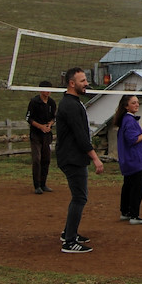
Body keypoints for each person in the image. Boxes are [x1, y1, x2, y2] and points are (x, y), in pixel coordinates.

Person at [56, 67, 104, 253]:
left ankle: (69, 232)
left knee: (79, 196)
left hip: (73, 156)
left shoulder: (73, 103)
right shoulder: (69, 105)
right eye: (82, 81)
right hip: (72, 158)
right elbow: (80, 136)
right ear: (71, 83)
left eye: (85, 80)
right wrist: (95, 158)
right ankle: (69, 242)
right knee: (79, 197)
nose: (86, 84)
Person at [114, 95, 142, 225]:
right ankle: (134, 215)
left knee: (128, 185)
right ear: (126, 106)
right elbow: (132, 139)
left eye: (137, 102)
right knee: (137, 187)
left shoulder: (126, 119)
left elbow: (132, 137)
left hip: (128, 159)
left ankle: (126, 212)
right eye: (133, 103)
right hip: (133, 160)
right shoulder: (129, 120)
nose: (137, 105)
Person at [26, 80, 56, 194]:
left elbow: (54, 117)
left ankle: (43, 184)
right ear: (40, 90)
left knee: (46, 159)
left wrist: (49, 125)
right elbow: (29, 118)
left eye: (49, 90)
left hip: (47, 135)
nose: (48, 92)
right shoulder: (34, 102)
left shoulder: (51, 103)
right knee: (36, 159)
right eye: (45, 89)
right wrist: (41, 127)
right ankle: (37, 185)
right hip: (36, 135)